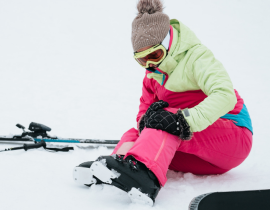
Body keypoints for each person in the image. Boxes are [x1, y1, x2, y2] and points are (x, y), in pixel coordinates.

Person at [73, 0, 253, 206]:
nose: (151, 63)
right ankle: (116, 169)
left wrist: (183, 121)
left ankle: (144, 177)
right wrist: (145, 121)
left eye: (155, 54)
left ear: (168, 42)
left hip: (232, 136)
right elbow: (142, 116)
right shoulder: (152, 76)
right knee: (138, 130)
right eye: (143, 59)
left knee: (164, 121)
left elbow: (225, 95)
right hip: (201, 155)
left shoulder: (197, 57)